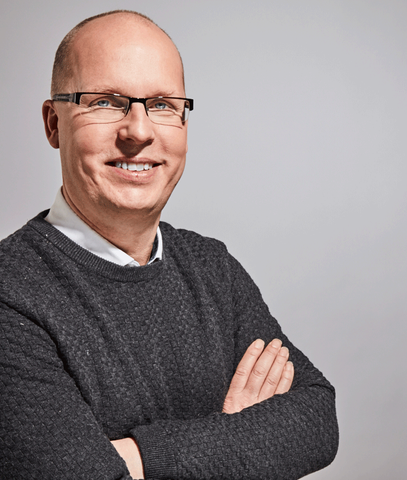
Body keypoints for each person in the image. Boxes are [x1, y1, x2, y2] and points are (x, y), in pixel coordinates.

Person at [0, 10, 338, 480]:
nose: (139, 131)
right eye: (106, 102)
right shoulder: (11, 295)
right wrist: (239, 442)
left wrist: (138, 458)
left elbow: (317, 421)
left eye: (162, 104)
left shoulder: (212, 267)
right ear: (53, 123)